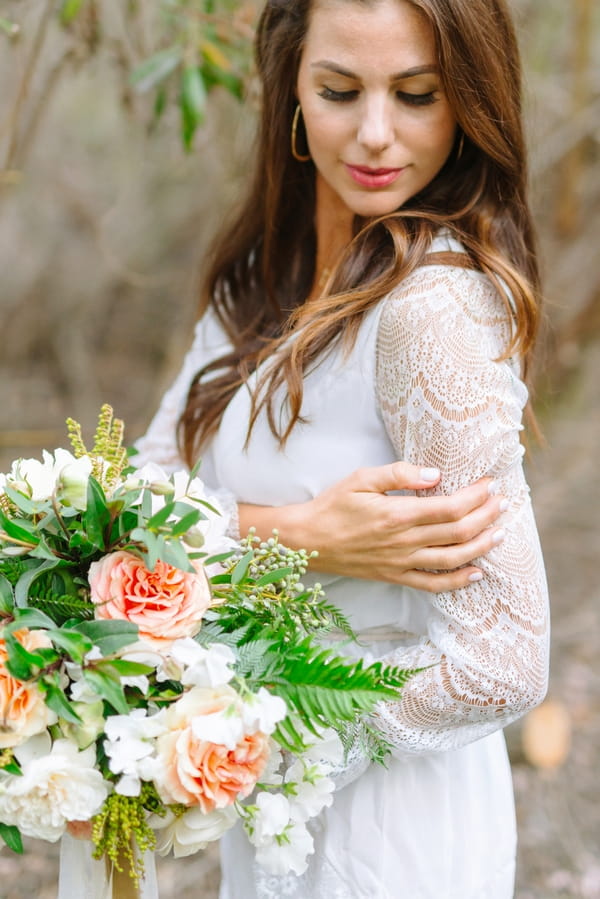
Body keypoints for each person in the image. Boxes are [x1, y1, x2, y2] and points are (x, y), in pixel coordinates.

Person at [133, 0, 551, 896]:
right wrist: (294, 533)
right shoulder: (263, 283)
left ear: (468, 101)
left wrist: (247, 732)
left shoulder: (429, 312)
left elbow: (502, 664)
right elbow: (133, 506)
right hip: (275, 826)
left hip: (395, 833)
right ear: (291, 86)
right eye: (338, 90)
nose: (373, 134)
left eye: (415, 94)